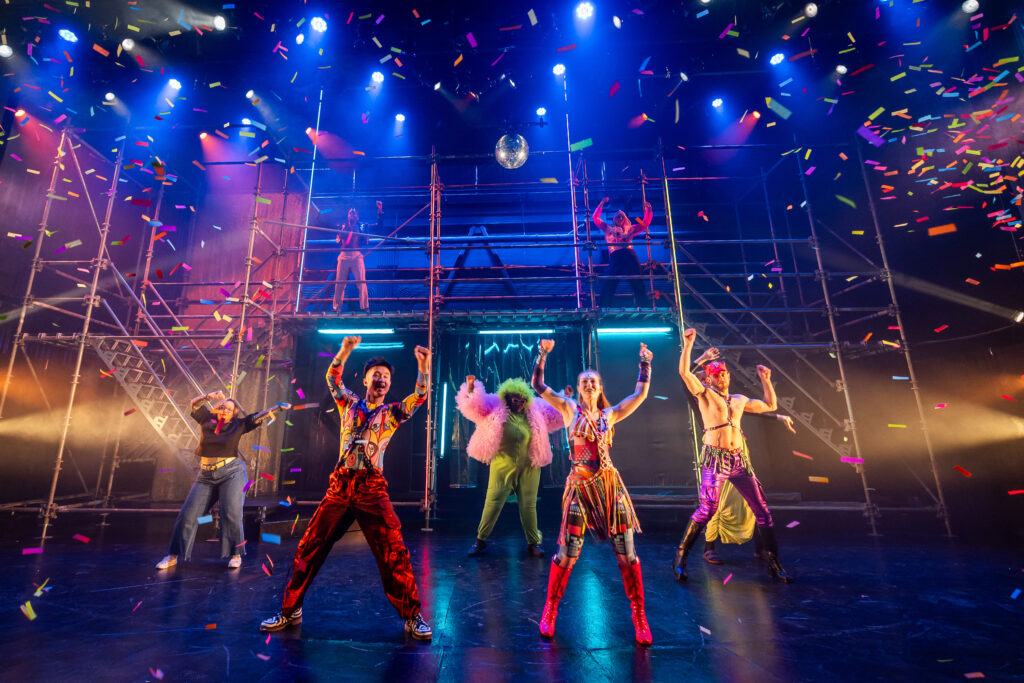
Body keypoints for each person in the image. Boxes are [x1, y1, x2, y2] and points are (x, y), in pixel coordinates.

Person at [260, 336, 433, 641]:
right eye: (376, 375)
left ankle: (412, 615)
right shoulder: (348, 403)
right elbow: (332, 378)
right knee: (309, 546)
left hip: (371, 487)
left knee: (393, 551)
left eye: (386, 377)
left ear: (390, 385)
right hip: (340, 486)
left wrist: (422, 365)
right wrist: (345, 350)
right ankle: (290, 610)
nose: (381, 379)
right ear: (366, 379)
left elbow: (419, 397)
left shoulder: (391, 413)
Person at [531, 339, 654, 646]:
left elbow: (640, 394)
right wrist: (543, 354)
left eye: (593, 381)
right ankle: (550, 609)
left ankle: (639, 615)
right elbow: (537, 384)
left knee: (627, 554)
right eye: (584, 381)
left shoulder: (610, 415)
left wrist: (645, 364)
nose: (588, 384)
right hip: (579, 486)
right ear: (579, 387)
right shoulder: (569, 408)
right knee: (567, 554)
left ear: (600, 388)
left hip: (610, 486)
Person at [674, 329, 793, 583]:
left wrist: (766, 379)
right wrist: (690, 345)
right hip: (715, 459)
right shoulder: (704, 396)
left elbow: (769, 405)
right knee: (708, 509)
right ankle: (681, 558)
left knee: (762, 510)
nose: (723, 377)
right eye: (717, 374)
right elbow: (685, 373)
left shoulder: (738, 399)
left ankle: (774, 563)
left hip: (739, 460)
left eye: (725, 373)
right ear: (709, 378)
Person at [156, 391, 290, 570]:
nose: (224, 409)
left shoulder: (239, 424)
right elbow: (194, 404)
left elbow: (258, 417)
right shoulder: (206, 418)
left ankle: (236, 554)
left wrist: (277, 408)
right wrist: (209, 396)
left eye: (229, 408)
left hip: (232, 472)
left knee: (231, 513)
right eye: (222, 406)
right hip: (205, 475)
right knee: (187, 515)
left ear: (234, 413)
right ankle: (172, 556)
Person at [456, 375, 564, 558]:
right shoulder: (495, 406)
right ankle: (480, 541)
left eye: (523, 401)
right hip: (502, 465)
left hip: (529, 466)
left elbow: (556, 414)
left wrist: (565, 400)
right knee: (492, 502)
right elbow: (474, 406)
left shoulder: (534, 409)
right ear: (507, 398)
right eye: (516, 400)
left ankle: (533, 543)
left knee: (529, 505)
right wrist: (472, 387)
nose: (520, 404)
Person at [593, 196, 653, 309]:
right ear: (614, 219)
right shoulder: (608, 229)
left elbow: (645, 224)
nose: (620, 218)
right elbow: (595, 218)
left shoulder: (630, 229)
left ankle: (643, 307)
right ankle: (604, 306)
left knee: (637, 281)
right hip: (616, 255)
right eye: (618, 217)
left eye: (622, 217)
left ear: (624, 219)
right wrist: (601, 204)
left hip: (629, 255)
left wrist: (648, 210)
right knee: (610, 281)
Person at [333, 201, 383, 313]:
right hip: (344, 255)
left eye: (354, 213)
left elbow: (378, 226)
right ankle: (337, 307)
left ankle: (365, 306)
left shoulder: (362, 226)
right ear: (348, 215)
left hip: (356, 255)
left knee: (361, 282)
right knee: (340, 282)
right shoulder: (342, 226)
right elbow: (338, 238)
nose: (353, 214)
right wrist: (345, 229)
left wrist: (379, 211)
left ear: (357, 216)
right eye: (351, 213)